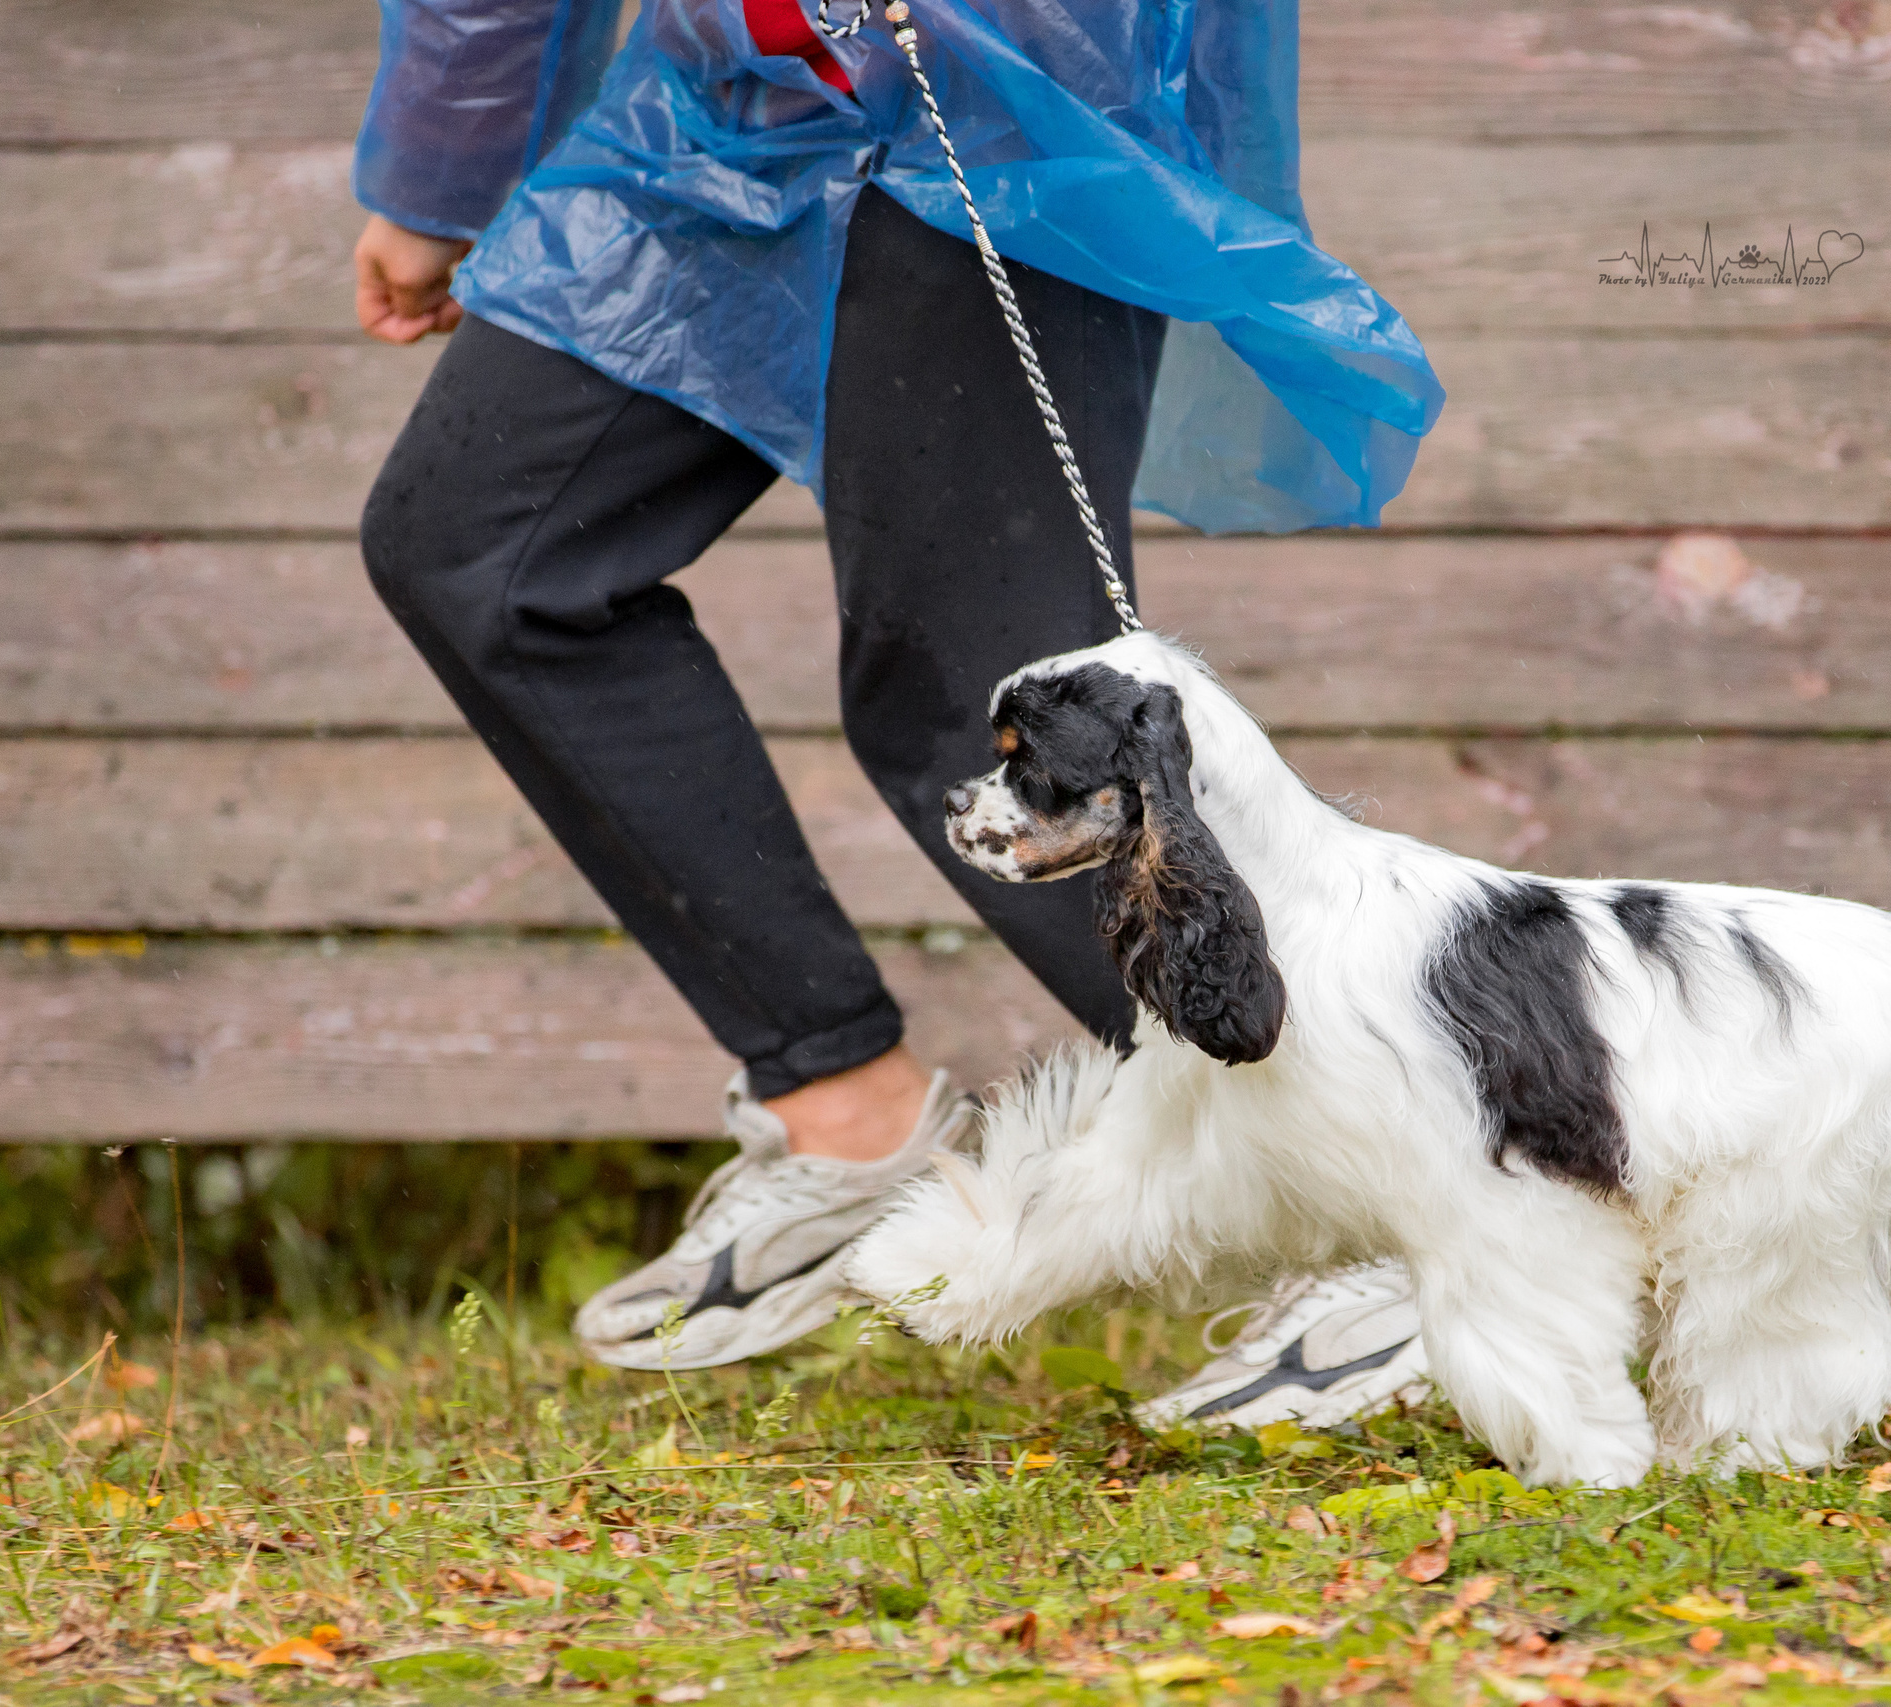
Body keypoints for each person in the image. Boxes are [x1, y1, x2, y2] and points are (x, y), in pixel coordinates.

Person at [350, 0, 1443, 1426]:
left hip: (1002, 71)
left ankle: (1413, 1219)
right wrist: (447, 161)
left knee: (982, 698)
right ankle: (845, 1105)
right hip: (721, 100)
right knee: (488, 558)